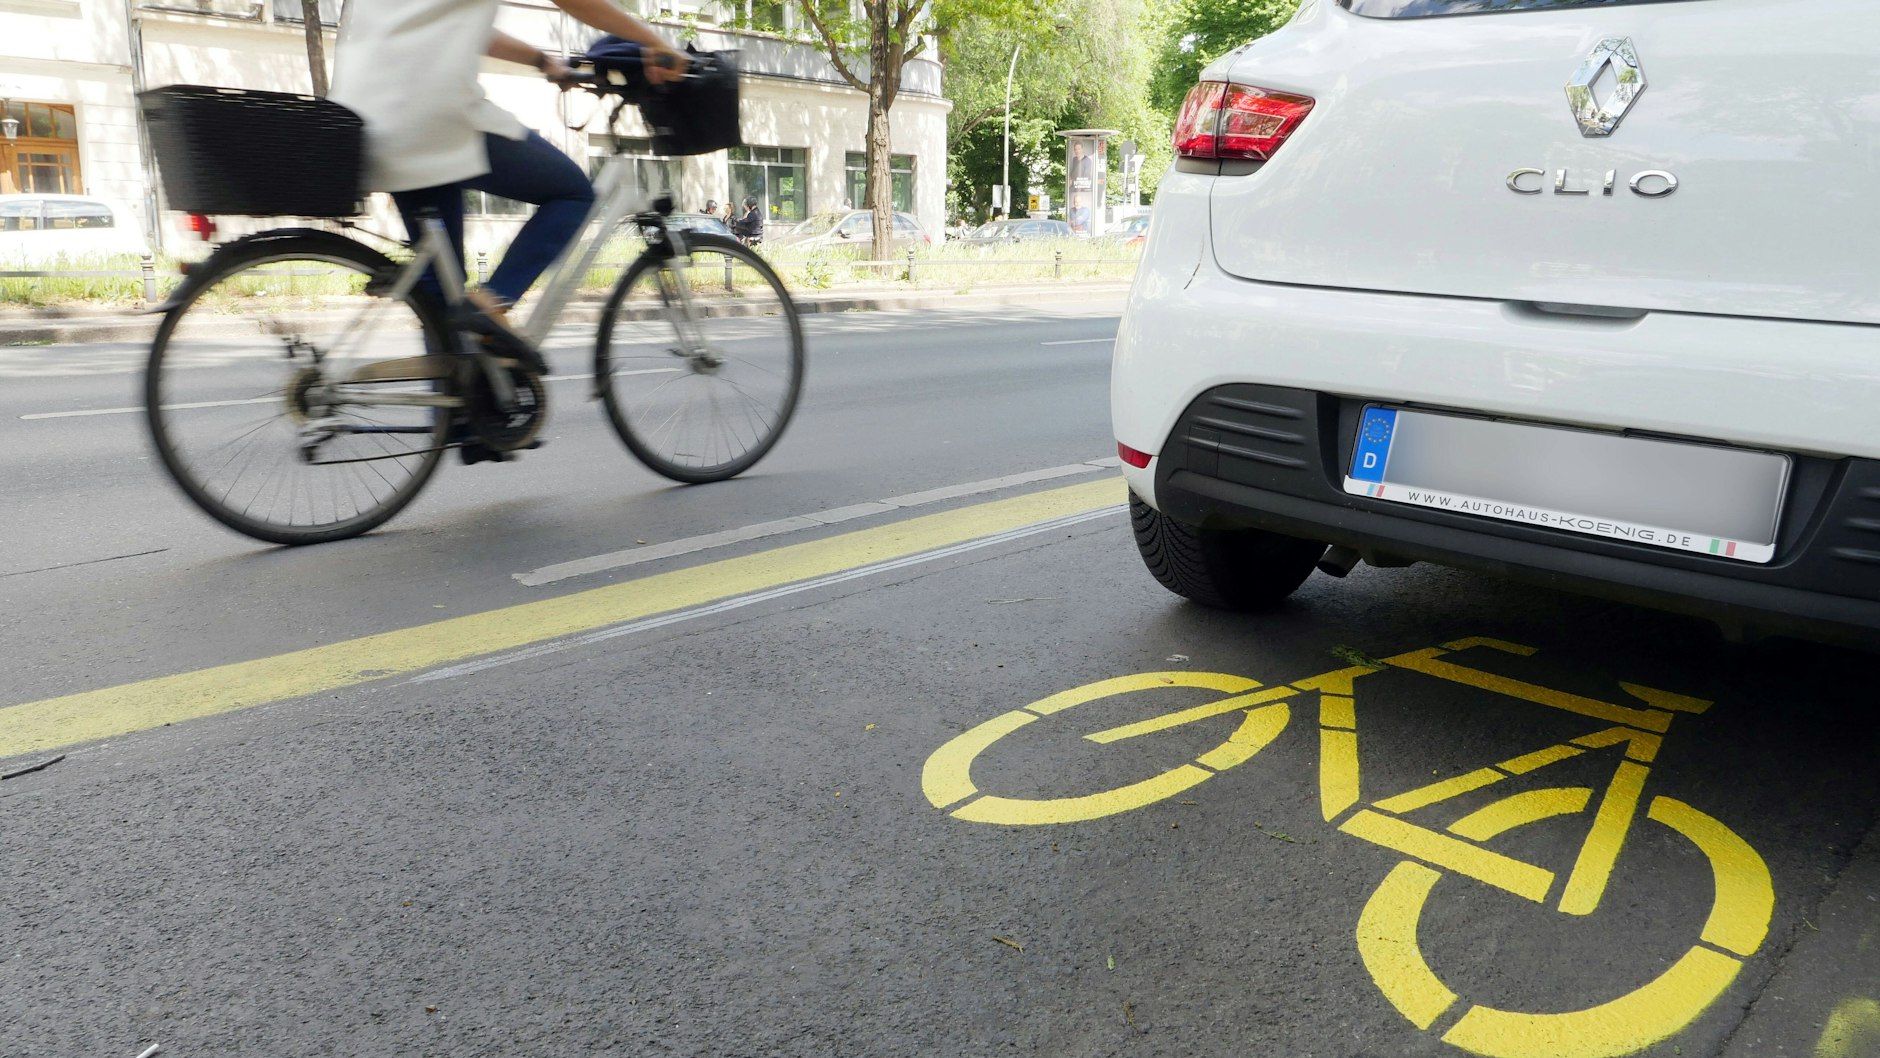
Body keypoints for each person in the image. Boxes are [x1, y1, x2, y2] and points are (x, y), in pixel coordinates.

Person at [329, 0, 687, 337]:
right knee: (572, 193)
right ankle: (493, 303)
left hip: (364, 117)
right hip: (428, 112)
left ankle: (463, 386)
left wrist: (542, 60)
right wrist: (657, 43)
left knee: (444, 300)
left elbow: (463, 28)